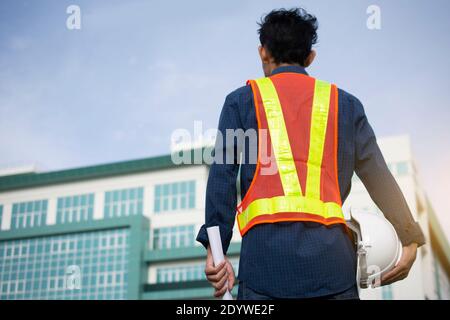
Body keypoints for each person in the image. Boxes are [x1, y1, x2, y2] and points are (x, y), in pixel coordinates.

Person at [196, 7, 425, 300]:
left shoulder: (240, 102)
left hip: (264, 267)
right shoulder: (347, 105)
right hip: (333, 269)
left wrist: (215, 250)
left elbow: (222, 177)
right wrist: (409, 237)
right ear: (310, 57)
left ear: (262, 52)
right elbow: (377, 174)